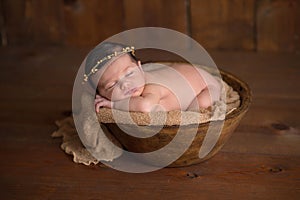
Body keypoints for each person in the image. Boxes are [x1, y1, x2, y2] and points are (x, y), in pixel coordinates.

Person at [83, 42, 221, 113]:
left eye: (130, 73)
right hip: (182, 73)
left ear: (139, 67)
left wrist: (113, 104)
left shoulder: (151, 87)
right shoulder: (138, 78)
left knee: (200, 106)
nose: (125, 84)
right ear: (100, 93)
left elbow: (145, 106)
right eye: (111, 85)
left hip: (206, 85)